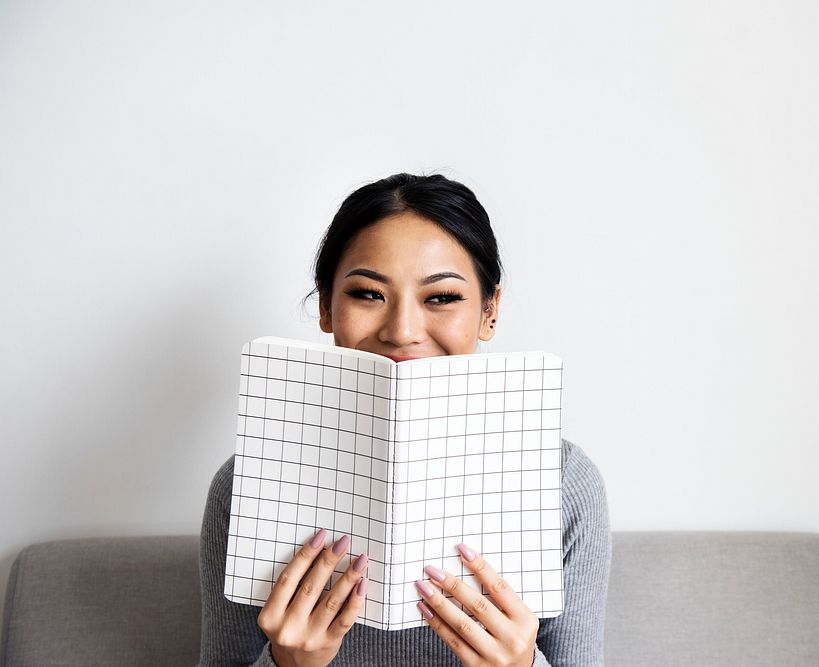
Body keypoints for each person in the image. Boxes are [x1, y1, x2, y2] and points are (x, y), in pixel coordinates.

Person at [198, 173, 611, 666]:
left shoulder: (565, 484)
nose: (402, 331)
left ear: (489, 311)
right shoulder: (246, 483)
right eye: (369, 294)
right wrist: (288, 664)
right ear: (327, 306)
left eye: (441, 298)